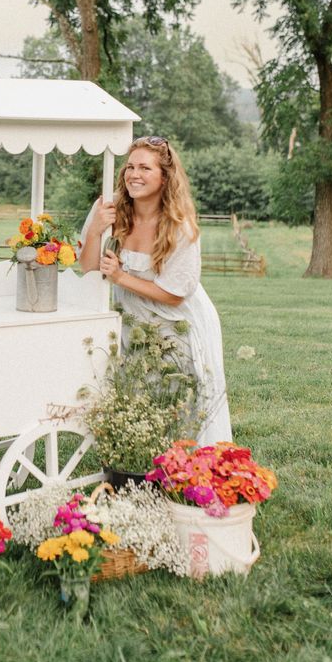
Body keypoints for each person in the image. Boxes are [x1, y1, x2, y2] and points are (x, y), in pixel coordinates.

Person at [78, 135, 232, 446]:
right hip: (133, 322)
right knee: (137, 393)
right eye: (130, 167)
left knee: (180, 399)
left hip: (176, 323)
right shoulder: (109, 210)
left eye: (145, 168)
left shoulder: (179, 227)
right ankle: (141, 463)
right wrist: (95, 230)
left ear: (165, 177)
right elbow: (89, 269)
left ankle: (187, 468)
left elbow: (175, 294)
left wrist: (121, 277)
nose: (134, 174)